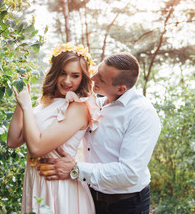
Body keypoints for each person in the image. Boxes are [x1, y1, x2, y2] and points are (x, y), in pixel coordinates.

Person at [39, 52, 161, 214]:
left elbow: (130, 173)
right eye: (97, 71)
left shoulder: (142, 114)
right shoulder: (96, 103)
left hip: (126, 205)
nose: (92, 78)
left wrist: (76, 169)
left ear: (120, 89)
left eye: (101, 79)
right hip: (90, 196)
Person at [7, 43, 96, 214]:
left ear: (82, 78)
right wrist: (22, 101)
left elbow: (36, 148)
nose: (67, 80)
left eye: (75, 75)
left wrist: (27, 107)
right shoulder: (44, 102)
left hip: (59, 186)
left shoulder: (78, 107)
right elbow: (13, 140)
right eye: (63, 73)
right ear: (55, 72)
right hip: (36, 181)